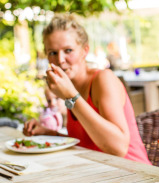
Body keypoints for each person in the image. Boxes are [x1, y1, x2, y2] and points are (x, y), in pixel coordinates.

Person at [23, 14, 151, 165]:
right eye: (53, 53)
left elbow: (118, 148)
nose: (60, 59)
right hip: (99, 175)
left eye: (68, 50)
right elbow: (86, 144)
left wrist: (71, 96)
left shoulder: (103, 79)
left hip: (134, 175)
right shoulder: (71, 88)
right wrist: (49, 133)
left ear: (85, 50)